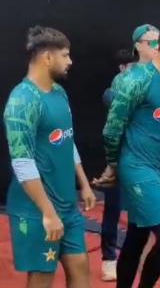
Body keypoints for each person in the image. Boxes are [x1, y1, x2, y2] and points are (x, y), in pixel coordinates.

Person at [94, 19, 160, 288]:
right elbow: (112, 128)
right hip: (138, 166)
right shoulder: (136, 81)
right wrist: (113, 165)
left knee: (137, 235)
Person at [3, 26, 96, 288]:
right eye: (65, 55)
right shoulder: (22, 101)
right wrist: (47, 212)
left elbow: (66, 140)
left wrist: (84, 183)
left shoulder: (58, 92)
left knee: (81, 270)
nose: (70, 61)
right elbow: (22, 162)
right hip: (36, 210)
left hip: (67, 204)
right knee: (42, 278)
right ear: (47, 57)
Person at [99, 25, 159, 282]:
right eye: (151, 43)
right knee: (113, 208)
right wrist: (113, 162)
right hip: (123, 155)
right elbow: (115, 126)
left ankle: (138, 259)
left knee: (142, 213)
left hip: (146, 158)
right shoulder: (117, 89)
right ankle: (108, 257)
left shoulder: (158, 80)